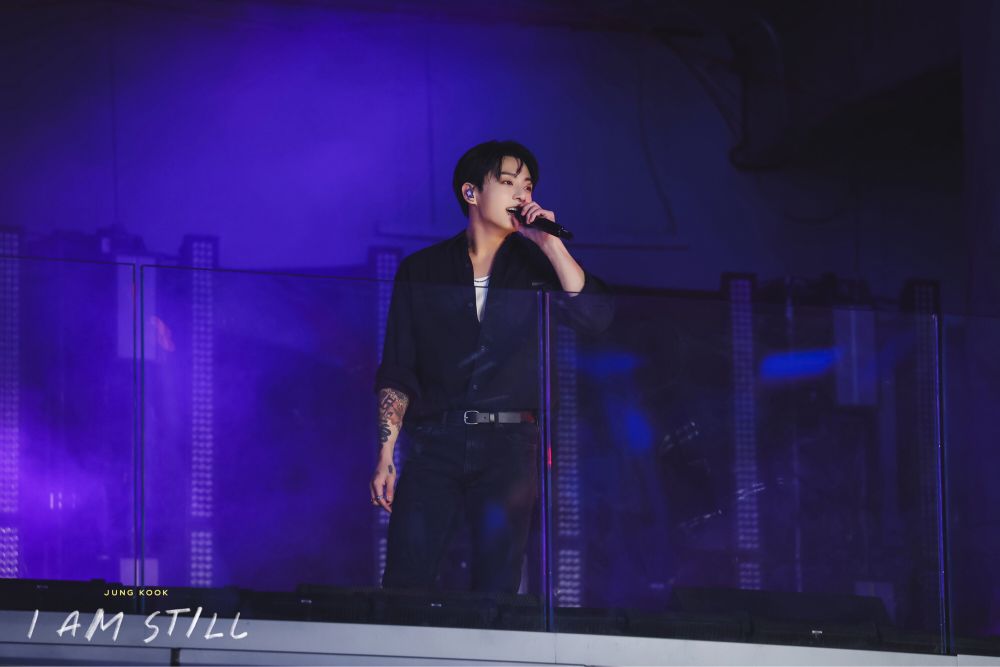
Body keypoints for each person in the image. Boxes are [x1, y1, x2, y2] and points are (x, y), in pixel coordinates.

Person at [371, 139, 613, 593]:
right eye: (508, 183)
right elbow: (399, 366)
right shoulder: (422, 270)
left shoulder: (537, 267)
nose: (522, 195)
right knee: (406, 576)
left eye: (528, 186)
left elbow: (595, 318)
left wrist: (551, 245)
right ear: (471, 193)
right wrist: (386, 452)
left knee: (498, 583)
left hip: (510, 443)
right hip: (435, 441)